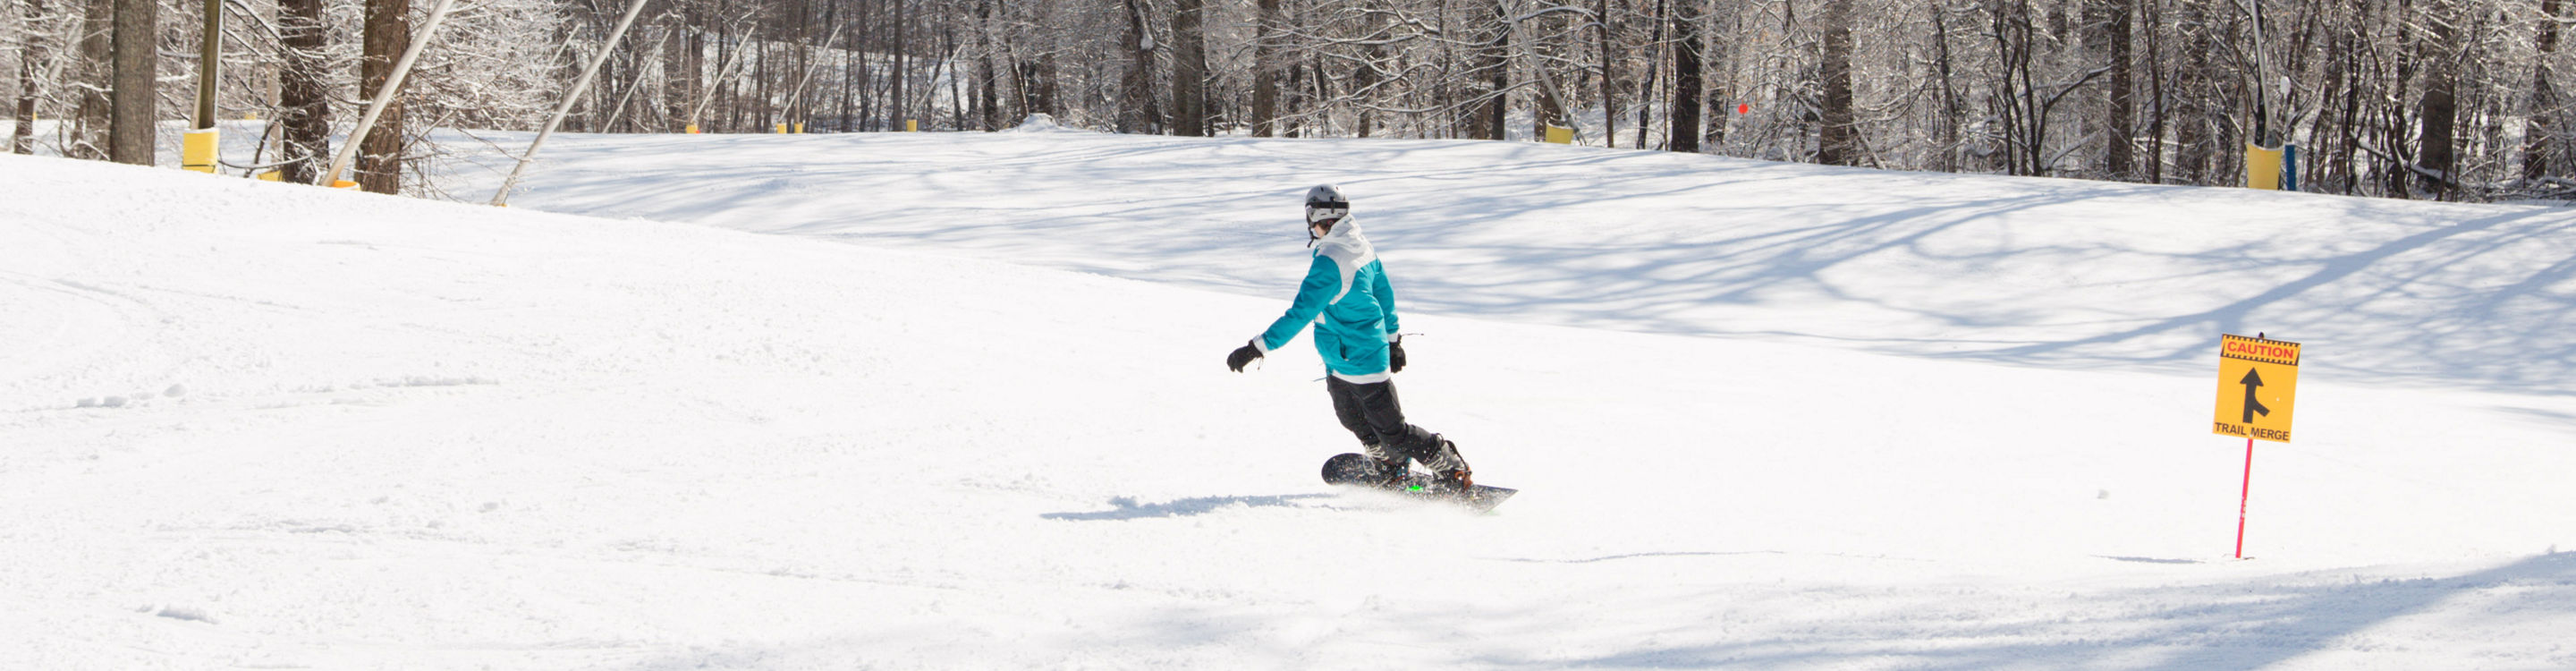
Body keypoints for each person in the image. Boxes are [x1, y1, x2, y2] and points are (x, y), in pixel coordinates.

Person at [1226, 185, 1472, 490]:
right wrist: (1393, 339)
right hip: (1338, 356)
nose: (1308, 224)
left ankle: (1449, 465)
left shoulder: (1331, 261)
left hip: (1363, 355)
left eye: (1309, 217)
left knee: (1392, 429)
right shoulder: (1358, 243)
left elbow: (1300, 313)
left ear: (1322, 218)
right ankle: (1388, 465)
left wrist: (1256, 348)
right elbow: (1383, 293)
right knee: (1352, 419)